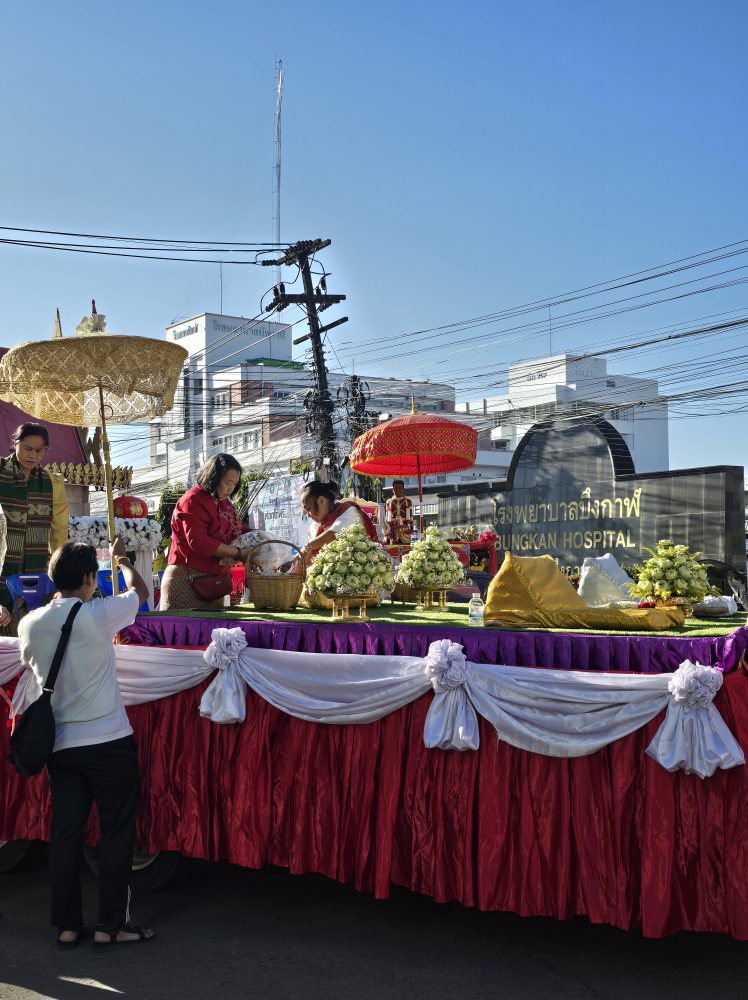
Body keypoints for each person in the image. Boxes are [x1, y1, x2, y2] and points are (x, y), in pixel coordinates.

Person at [17, 537, 154, 950]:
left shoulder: (29, 624)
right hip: (109, 741)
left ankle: (67, 925)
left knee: (66, 836)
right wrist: (123, 559)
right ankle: (111, 925)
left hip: (61, 747)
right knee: (116, 833)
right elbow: (141, 592)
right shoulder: (98, 614)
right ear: (91, 578)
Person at [160, 454, 250, 610]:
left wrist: (263, 540)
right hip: (187, 581)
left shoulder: (225, 504)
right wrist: (238, 553)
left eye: (235, 484)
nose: (231, 489)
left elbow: (238, 530)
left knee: (213, 626)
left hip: (215, 585)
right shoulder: (192, 500)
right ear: (214, 478)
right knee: (187, 625)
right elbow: (199, 542)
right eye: (227, 482)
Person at [0, 423, 69, 623]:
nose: (32, 455)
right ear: (15, 444)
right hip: (3, 560)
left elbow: (59, 530)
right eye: (27, 449)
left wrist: (59, 565)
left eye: (39, 451)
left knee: (27, 623)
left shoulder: (51, 482)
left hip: (35, 565)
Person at [299, 480, 379, 565]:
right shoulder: (315, 525)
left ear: (321, 501)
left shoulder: (348, 511)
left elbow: (333, 534)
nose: (308, 515)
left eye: (308, 509)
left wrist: (307, 547)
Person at [384, 480, 414, 545]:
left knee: (406, 548)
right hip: (393, 529)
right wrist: (387, 528)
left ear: (403, 489)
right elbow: (387, 517)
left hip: (405, 528)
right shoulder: (389, 502)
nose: (398, 490)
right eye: (396, 488)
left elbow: (411, 517)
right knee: (393, 548)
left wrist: (410, 527)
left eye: (400, 488)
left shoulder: (408, 501)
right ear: (393, 490)